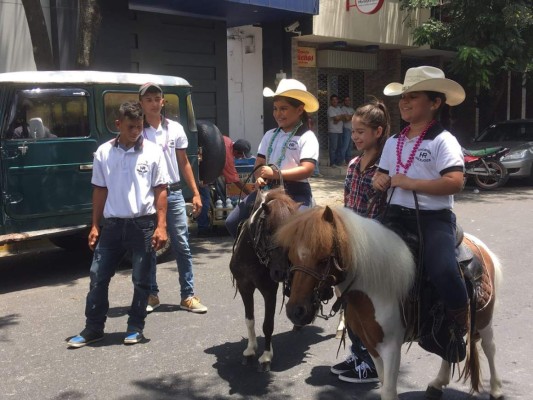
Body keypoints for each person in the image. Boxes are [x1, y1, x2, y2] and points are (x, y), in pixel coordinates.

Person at [372, 66, 468, 353]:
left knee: (443, 270)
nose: (404, 102)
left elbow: (455, 182)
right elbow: (382, 174)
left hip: (432, 218)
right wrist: (380, 179)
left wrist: (411, 182)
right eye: (403, 97)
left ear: (435, 103)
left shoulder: (443, 140)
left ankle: (457, 325)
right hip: (395, 215)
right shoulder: (392, 141)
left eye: (413, 96)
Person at [67, 101, 169, 348]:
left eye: (139, 126)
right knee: (97, 276)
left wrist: (161, 225)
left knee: (141, 280)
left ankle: (135, 327)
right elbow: (100, 190)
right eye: (131, 126)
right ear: (118, 124)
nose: (136, 131)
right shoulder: (104, 152)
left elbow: (161, 190)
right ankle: (93, 328)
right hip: (112, 226)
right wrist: (94, 225)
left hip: (143, 224)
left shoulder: (153, 152)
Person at [331, 98, 390, 383]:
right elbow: (346, 204)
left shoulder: (385, 167)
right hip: (349, 242)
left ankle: (369, 360)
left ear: (378, 132)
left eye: (360, 132)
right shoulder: (354, 164)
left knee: (365, 303)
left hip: (372, 243)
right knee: (346, 300)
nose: (354, 137)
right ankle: (357, 352)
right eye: (353, 131)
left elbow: (386, 210)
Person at [138, 82, 207, 314]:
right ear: (141, 104)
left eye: (157, 98)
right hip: (148, 194)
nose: (154, 103)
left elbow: (184, 162)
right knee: (150, 246)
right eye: (148, 99)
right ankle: (151, 294)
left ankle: (187, 296)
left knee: (182, 245)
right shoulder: (137, 130)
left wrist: (195, 192)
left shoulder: (175, 128)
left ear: (163, 102)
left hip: (174, 192)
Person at [225, 78, 319, 238]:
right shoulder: (270, 135)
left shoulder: (307, 137)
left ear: (299, 110)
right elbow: (259, 164)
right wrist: (260, 177)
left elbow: (307, 170)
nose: (278, 114)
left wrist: (275, 174)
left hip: (295, 192)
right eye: (275, 109)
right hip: (268, 190)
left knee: (295, 234)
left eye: (284, 108)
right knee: (232, 222)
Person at [197, 135, 252, 236]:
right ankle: (203, 229)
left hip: (206, 168)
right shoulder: (228, 157)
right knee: (204, 199)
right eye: (241, 156)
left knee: (217, 191)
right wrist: (251, 194)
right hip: (202, 173)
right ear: (236, 152)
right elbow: (235, 180)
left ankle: (206, 223)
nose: (241, 158)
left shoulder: (227, 140)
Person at [327, 94, 344, 167]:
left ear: (337, 101)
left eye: (336, 100)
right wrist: (339, 118)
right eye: (333, 100)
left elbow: (343, 117)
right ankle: (332, 163)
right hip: (333, 131)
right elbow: (336, 119)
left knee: (339, 147)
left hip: (340, 130)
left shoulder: (339, 108)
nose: (335, 101)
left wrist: (338, 118)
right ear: (331, 101)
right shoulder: (330, 109)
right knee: (333, 148)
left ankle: (337, 162)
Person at [340, 96, 355, 165]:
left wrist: (350, 116)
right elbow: (346, 119)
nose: (347, 102)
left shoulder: (351, 109)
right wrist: (352, 116)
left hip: (352, 129)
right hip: (346, 129)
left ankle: (348, 160)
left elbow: (355, 118)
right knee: (345, 146)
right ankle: (342, 160)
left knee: (350, 146)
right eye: (346, 100)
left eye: (348, 100)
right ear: (344, 102)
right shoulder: (342, 109)